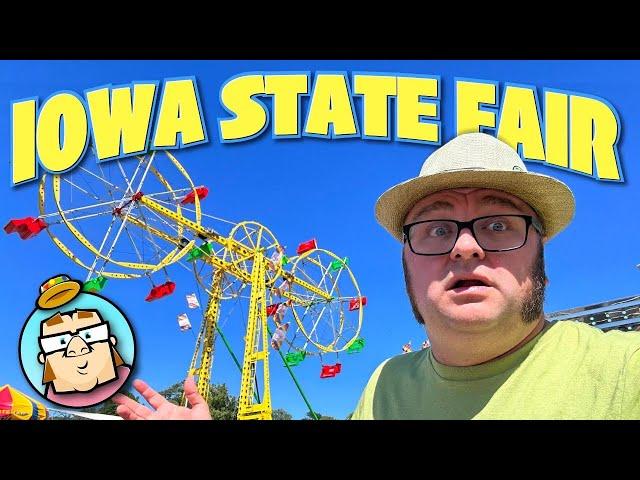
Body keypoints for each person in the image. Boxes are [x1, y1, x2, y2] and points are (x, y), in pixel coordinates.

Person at [351, 132, 640, 419]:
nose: (465, 247)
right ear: (406, 265)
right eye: (438, 230)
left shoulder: (627, 368)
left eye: (498, 225)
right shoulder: (382, 388)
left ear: (540, 260)